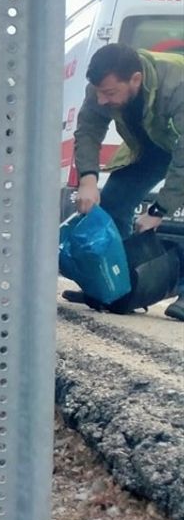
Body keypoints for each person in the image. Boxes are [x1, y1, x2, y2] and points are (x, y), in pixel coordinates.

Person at [68, 43, 184, 321]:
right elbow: (88, 130)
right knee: (113, 202)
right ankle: (116, 285)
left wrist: (158, 210)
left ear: (136, 79)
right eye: (99, 93)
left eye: (109, 93)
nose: (103, 100)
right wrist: (88, 179)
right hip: (153, 146)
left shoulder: (177, 84)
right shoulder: (101, 88)